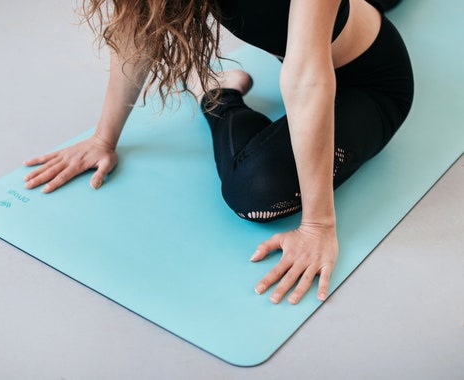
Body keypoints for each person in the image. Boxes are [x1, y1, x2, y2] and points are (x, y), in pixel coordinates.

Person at [23, 0, 414, 305]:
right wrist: (102, 139)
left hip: (370, 87)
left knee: (255, 194)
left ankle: (219, 96)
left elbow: (308, 78)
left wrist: (318, 226)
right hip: (309, 66)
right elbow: (135, 31)